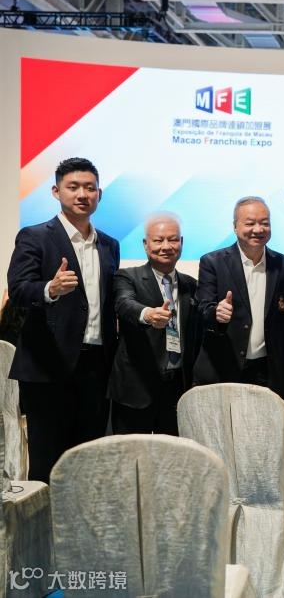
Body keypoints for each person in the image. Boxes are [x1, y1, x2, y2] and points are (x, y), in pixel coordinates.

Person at [6, 157, 119, 482]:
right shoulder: (35, 236)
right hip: (48, 366)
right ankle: (45, 517)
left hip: (96, 366)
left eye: (90, 188)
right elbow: (18, 289)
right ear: (56, 192)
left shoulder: (109, 244)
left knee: (89, 458)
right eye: (73, 187)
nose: (82, 194)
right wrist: (50, 289)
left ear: (99, 194)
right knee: (48, 459)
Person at [194, 197, 284, 402]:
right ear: (235, 227)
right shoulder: (213, 262)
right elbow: (202, 309)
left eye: (264, 223)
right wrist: (217, 313)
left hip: (268, 373)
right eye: (250, 223)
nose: (258, 229)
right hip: (223, 369)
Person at [108, 213, 199, 435]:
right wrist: (147, 314)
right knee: (131, 453)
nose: (166, 246)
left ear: (181, 242)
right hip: (136, 389)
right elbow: (124, 304)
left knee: (173, 453)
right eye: (158, 240)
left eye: (173, 239)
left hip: (177, 389)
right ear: (145, 244)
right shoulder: (127, 277)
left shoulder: (191, 285)